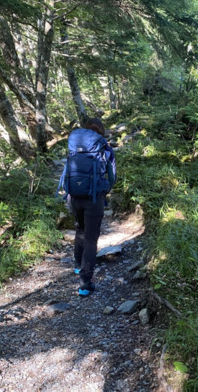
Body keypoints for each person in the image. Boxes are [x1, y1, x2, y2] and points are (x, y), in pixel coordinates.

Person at [66, 118, 116, 296]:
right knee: (91, 239)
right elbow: (112, 177)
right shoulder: (104, 149)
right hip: (94, 198)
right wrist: (105, 191)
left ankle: (78, 266)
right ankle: (85, 284)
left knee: (80, 230)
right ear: (101, 132)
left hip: (74, 197)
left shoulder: (74, 147)